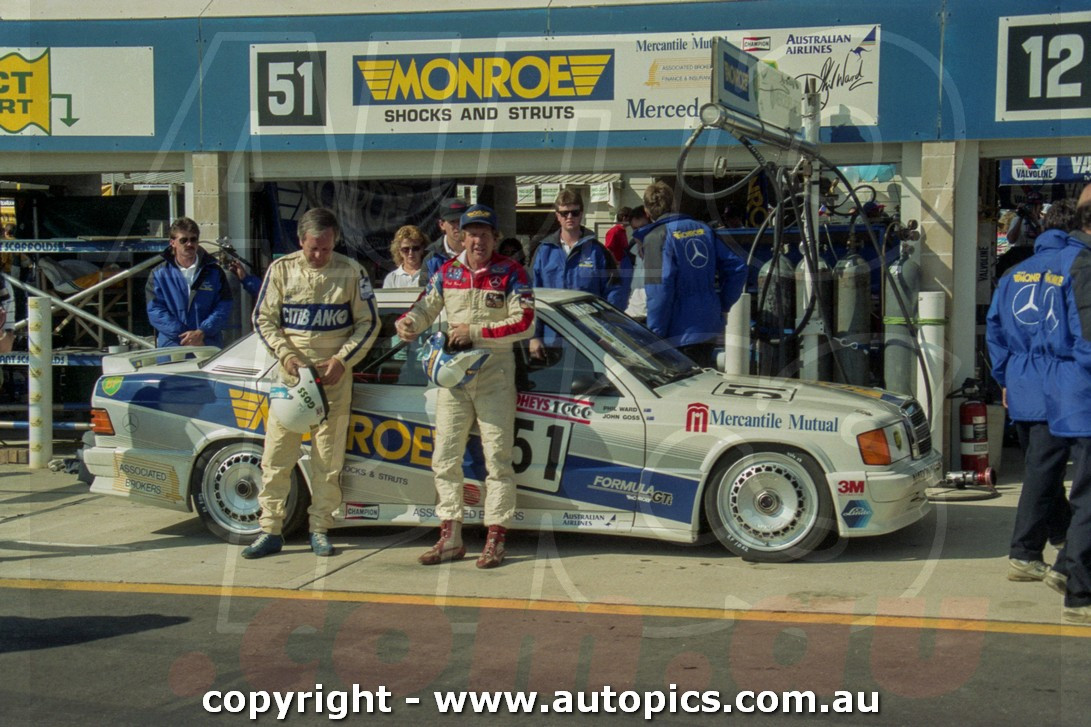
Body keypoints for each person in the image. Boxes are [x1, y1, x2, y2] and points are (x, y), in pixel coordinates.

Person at [395, 204, 535, 569]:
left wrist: (474, 332)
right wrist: (409, 321)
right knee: (444, 458)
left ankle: (496, 538)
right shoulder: (447, 272)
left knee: (498, 459)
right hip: (453, 379)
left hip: (495, 377)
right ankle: (450, 537)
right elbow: (425, 306)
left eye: (485, 234)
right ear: (461, 236)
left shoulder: (512, 272)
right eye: (471, 233)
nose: (477, 240)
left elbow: (526, 324)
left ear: (495, 238)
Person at [243, 207, 380, 559]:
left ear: (335, 241)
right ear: (300, 240)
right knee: (275, 457)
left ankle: (320, 528)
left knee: (327, 460)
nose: (319, 255)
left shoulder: (352, 272)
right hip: (289, 380)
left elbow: (370, 323)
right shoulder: (281, 270)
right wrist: (287, 356)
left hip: (333, 380)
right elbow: (263, 319)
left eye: (326, 247)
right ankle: (269, 529)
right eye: (313, 248)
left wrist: (342, 360)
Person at [986, 199, 1076, 586]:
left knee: (1042, 466)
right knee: (1042, 471)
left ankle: (1065, 535)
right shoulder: (1077, 270)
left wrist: (1005, 379)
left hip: (1022, 382)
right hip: (1060, 383)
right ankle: (1024, 552)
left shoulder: (1013, 275)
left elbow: (995, 332)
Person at [1039, 187, 1091, 623]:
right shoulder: (1083, 264)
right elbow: (1088, 340)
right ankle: (1080, 594)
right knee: (1089, 499)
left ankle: (1063, 568)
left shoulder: (1056, 262)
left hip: (1067, 391)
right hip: (1083, 395)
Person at [637, 181, 748, 368]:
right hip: (708, 326)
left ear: (647, 212)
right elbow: (737, 267)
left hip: (678, 332)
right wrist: (721, 303)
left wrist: (655, 335)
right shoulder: (703, 229)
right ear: (673, 204)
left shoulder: (656, 237)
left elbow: (660, 290)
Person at [529, 188, 625, 357]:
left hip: (590, 340)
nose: (569, 217)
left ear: (581, 214)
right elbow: (530, 296)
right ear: (557, 216)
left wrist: (608, 333)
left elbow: (615, 293)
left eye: (574, 212)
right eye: (564, 213)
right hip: (552, 339)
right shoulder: (543, 252)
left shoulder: (598, 251)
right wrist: (533, 336)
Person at [145, 217, 233, 348]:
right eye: (183, 240)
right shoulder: (158, 274)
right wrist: (186, 336)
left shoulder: (214, 272)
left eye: (193, 239)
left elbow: (224, 306)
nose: (189, 244)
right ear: (172, 242)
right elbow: (155, 311)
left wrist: (202, 332)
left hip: (207, 345)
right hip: (173, 347)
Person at [424, 197, 469, 279]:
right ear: (442, 225)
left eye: (461, 220)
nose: (458, 226)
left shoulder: (478, 251)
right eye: (452, 221)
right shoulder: (432, 258)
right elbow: (425, 289)